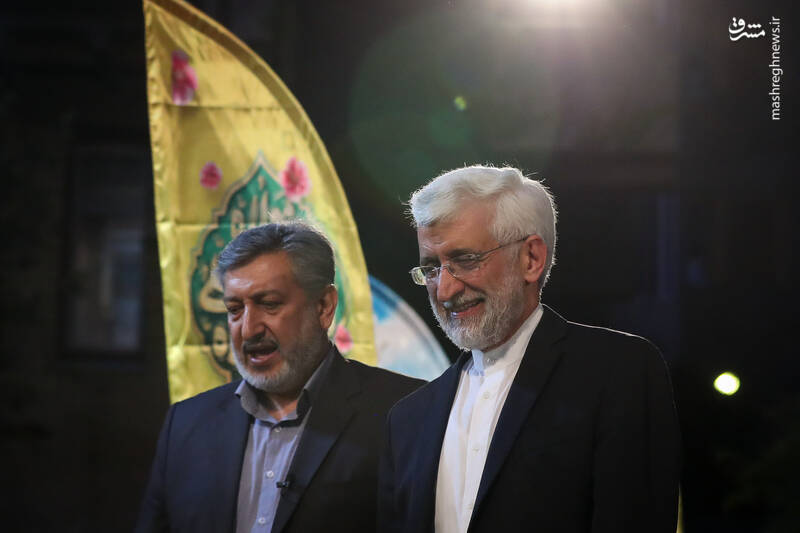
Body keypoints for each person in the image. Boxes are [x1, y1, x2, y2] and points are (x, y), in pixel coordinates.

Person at [378, 165, 680, 533]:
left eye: (465, 260)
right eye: (431, 268)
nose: (444, 290)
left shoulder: (617, 375)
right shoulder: (407, 420)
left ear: (531, 259)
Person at [136, 222, 424, 533]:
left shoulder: (405, 412)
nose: (249, 329)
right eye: (234, 309)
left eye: (269, 304)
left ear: (324, 307)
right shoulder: (185, 424)